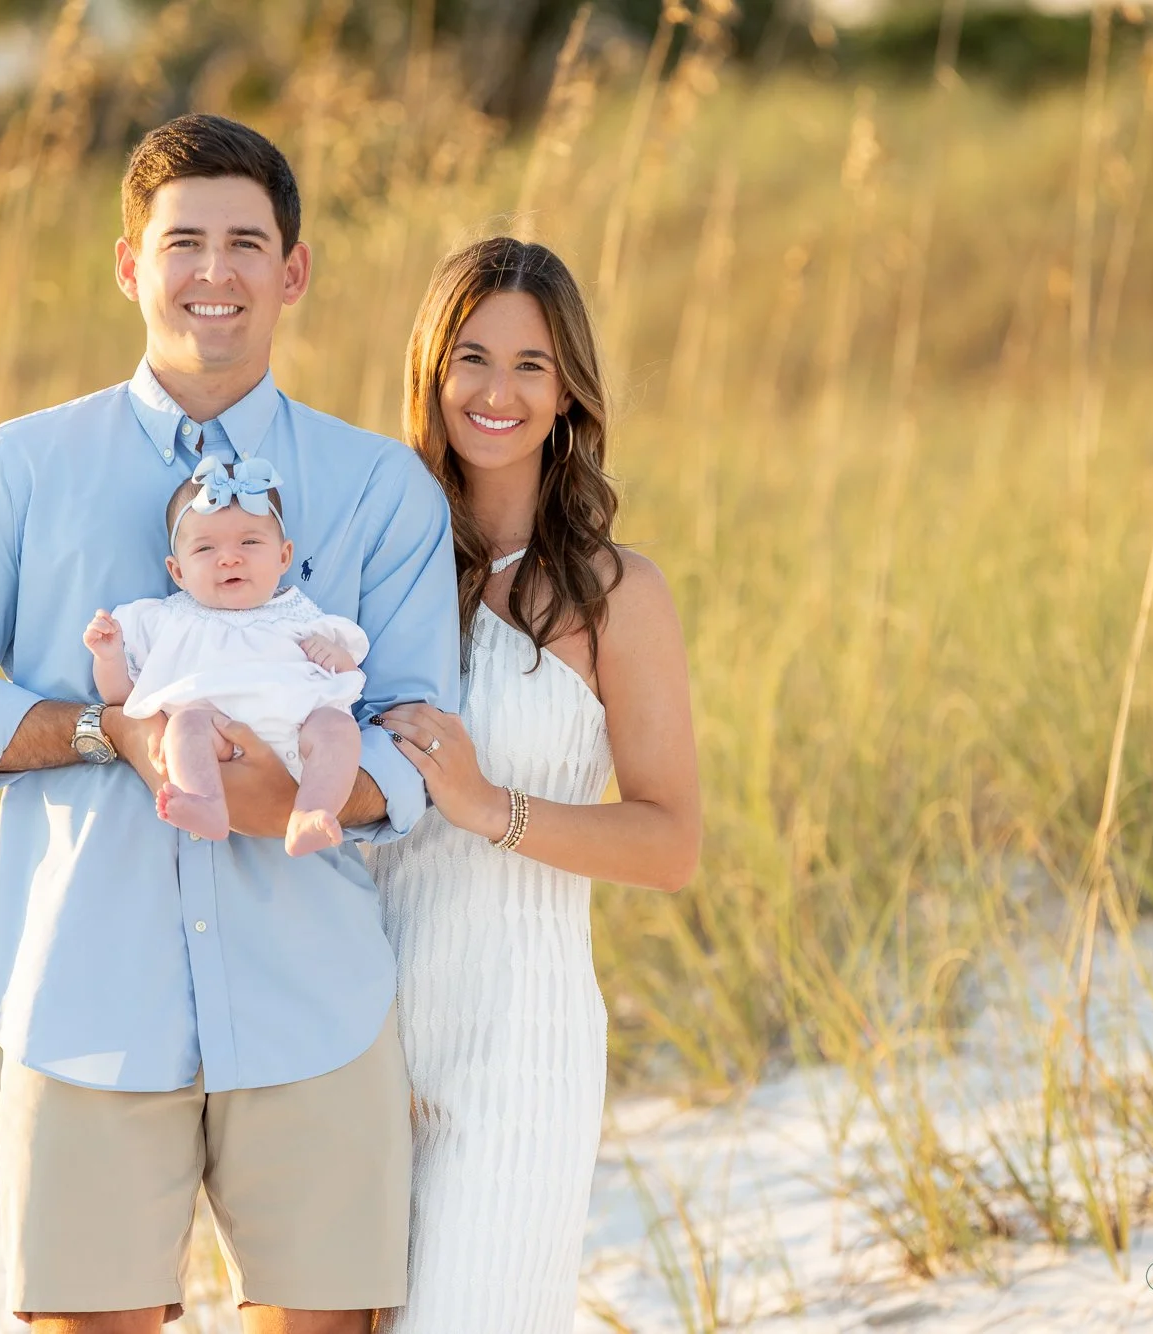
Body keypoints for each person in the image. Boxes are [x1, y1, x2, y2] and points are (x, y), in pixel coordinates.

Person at [0, 113, 457, 1333]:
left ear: (292, 271)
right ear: (129, 261)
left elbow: (418, 744)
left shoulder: (376, 486)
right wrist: (106, 733)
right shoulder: (17, 468)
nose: (213, 271)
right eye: (182, 239)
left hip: (315, 1005)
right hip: (86, 1000)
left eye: (246, 242)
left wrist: (286, 791)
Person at [369, 237, 703, 1331]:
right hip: (356, 1032)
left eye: (530, 363)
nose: (497, 391)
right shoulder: (371, 568)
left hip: (516, 1044)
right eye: (471, 357)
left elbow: (669, 842)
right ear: (431, 370)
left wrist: (486, 806)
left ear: (567, 392)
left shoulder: (616, 591)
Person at [85, 456, 370, 856]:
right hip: (214, 732)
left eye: (250, 542)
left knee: (339, 730)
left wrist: (336, 655)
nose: (230, 558)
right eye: (205, 548)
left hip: (299, 728)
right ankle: (207, 803)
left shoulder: (298, 612)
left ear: (284, 556)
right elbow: (122, 697)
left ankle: (310, 811)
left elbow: (352, 678)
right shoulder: (167, 619)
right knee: (183, 729)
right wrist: (109, 655)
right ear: (178, 571)